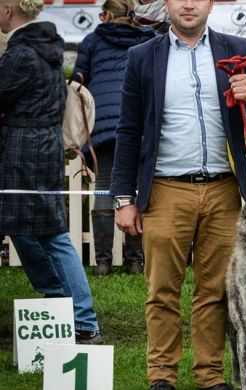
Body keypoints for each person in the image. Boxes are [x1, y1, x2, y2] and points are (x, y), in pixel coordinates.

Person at [110, 0, 246, 390]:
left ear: (211, 3)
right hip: (165, 189)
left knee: (216, 289)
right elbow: (128, 129)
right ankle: (162, 378)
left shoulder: (239, 49)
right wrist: (123, 197)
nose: (188, 4)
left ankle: (210, 378)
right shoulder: (141, 57)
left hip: (223, 189)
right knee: (161, 289)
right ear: (165, 3)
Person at [0, 0, 101, 344]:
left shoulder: (21, 54)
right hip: (37, 149)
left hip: (24, 152)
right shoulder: (42, 48)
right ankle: (65, 308)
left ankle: (80, 318)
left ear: (8, 8)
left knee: (50, 235)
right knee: (35, 233)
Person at [73, 0, 155, 276]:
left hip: (104, 126)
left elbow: (78, 82)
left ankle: (103, 262)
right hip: (139, 122)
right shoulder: (148, 39)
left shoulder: (92, 40)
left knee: (105, 186)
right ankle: (135, 260)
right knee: (137, 188)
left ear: (106, 15)